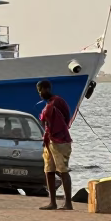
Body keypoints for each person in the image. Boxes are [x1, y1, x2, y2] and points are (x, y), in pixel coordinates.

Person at [37, 79, 73, 211]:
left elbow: (66, 117)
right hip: (49, 140)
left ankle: (68, 203)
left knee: (63, 170)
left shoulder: (57, 101)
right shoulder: (49, 104)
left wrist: (59, 132)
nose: (40, 94)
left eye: (40, 90)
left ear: (46, 89)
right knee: (49, 170)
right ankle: (52, 202)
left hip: (60, 141)